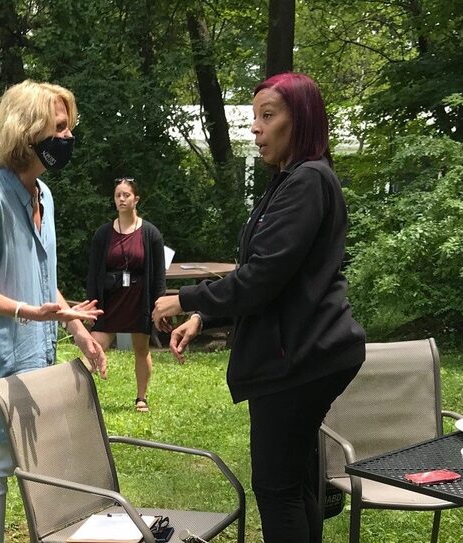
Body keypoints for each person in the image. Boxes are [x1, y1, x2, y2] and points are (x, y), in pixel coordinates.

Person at [152, 72, 366, 543]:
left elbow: (262, 278)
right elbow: (270, 276)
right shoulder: (291, 181)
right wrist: (205, 316)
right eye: (254, 118)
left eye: (268, 116)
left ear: (301, 119)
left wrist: (185, 296)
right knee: (297, 481)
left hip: (297, 359)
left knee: (278, 489)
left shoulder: (307, 180)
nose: (256, 129)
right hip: (305, 353)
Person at [0, 80, 107, 543]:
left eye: (70, 128)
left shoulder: (43, 196)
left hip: (32, 344)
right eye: (60, 128)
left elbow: (39, 275)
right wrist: (29, 313)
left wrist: (75, 326)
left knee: (37, 458)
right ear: (27, 130)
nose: (68, 138)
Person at [86, 177, 165, 412]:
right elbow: (93, 273)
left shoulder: (151, 234)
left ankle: (141, 398)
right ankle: (79, 398)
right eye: (118, 195)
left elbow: (158, 274)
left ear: (136, 199)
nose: (121, 199)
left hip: (139, 299)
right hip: (110, 299)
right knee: (94, 345)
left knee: (141, 348)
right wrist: (92, 304)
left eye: (126, 195)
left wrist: (157, 305)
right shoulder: (103, 234)